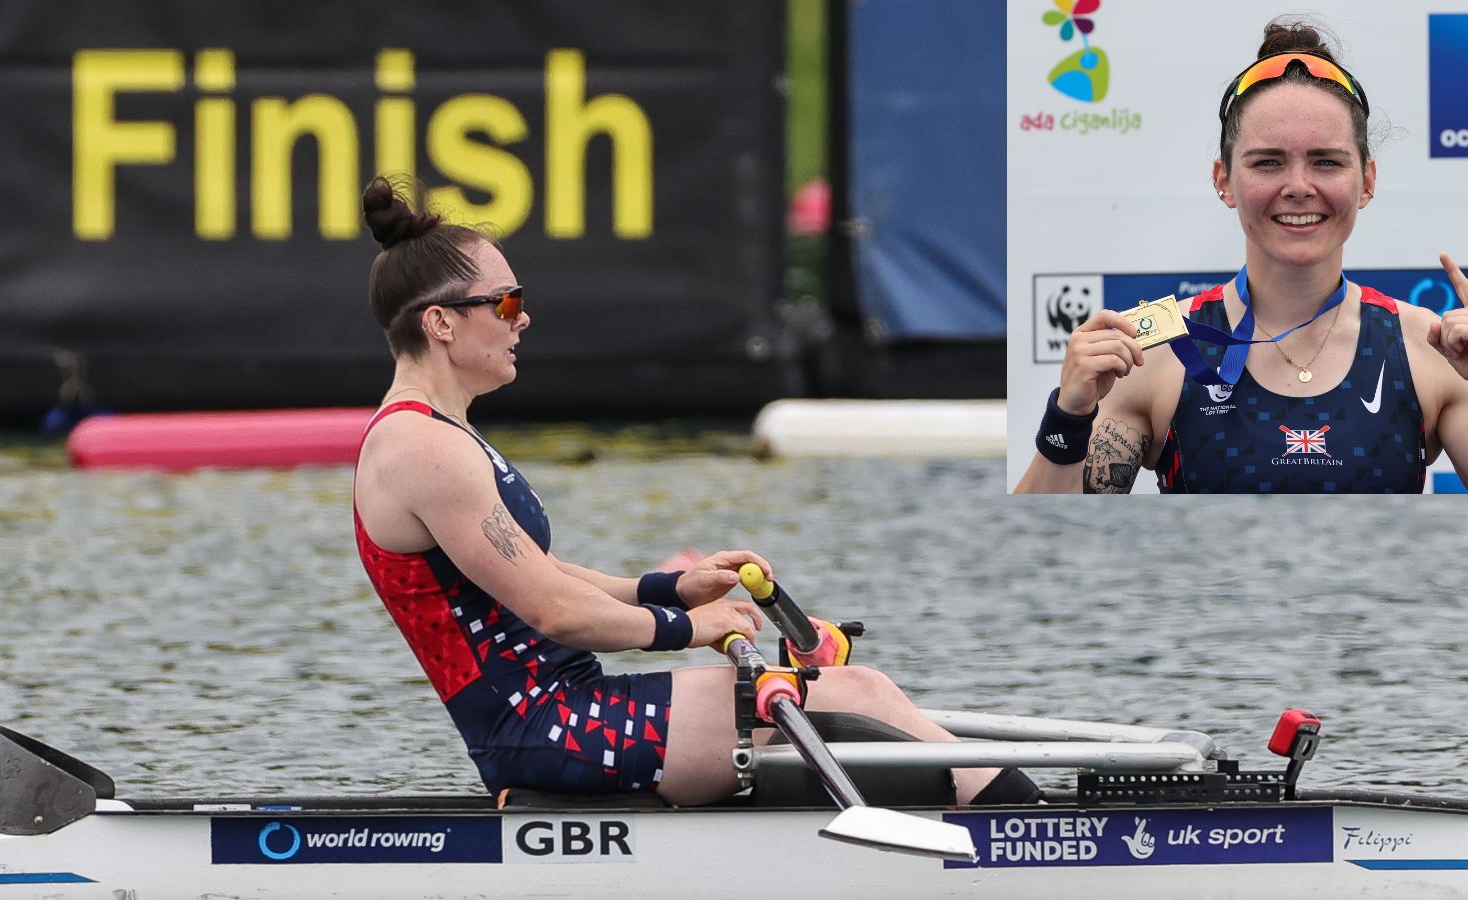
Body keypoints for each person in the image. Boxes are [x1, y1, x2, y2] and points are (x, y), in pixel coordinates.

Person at [352, 178, 1035, 806]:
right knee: (857, 692)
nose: (521, 319)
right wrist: (690, 628)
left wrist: (669, 590)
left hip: (568, 711)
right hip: (545, 729)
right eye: (505, 303)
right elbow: (556, 610)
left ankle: (1013, 820)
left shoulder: (440, 435)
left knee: (866, 696)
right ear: (440, 323)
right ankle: (1041, 831)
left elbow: (542, 573)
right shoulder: (424, 449)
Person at [1015, 20, 1468, 494]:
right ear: (1224, 181)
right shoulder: (1155, 347)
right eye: (1268, 163)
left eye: (1326, 162)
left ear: (1366, 181)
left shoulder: (1427, 347)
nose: (1298, 187)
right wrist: (1068, 416)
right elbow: (1049, 564)